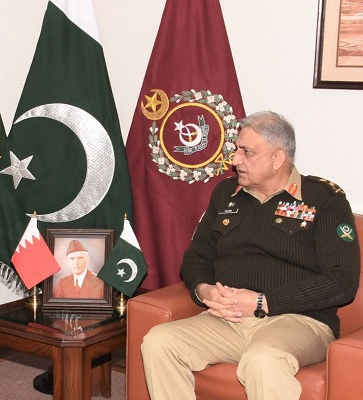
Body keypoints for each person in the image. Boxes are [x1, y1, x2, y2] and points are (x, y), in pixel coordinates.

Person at [140, 111, 360, 399]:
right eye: (236, 150)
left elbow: (342, 280)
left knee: (263, 361)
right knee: (159, 341)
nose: (235, 161)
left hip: (299, 320)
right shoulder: (225, 194)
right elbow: (195, 259)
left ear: (277, 158)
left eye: (247, 152)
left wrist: (262, 301)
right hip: (230, 319)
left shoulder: (324, 200)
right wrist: (204, 291)